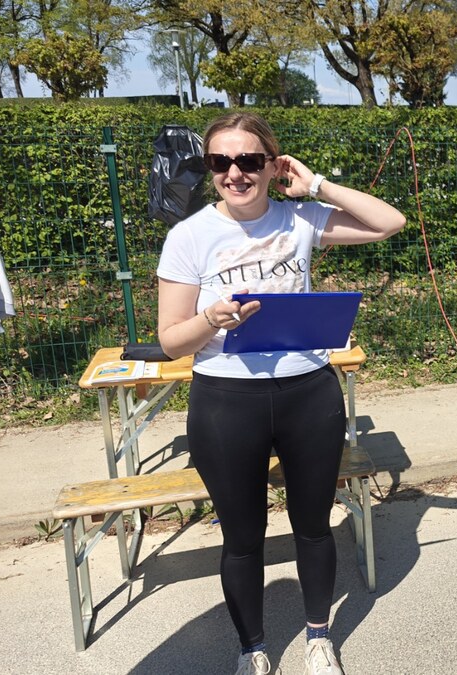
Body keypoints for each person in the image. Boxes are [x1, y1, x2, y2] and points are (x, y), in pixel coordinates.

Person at [156, 112, 405, 675]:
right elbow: (170, 341)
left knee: (313, 526)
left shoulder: (302, 219)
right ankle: (253, 650)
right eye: (220, 162)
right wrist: (211, 320)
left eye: (249, 160)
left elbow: (390, 221)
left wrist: (316, 185)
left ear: (273, 165)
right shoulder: (189, 236)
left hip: (307, 393)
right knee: (242, 538)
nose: (234, 173)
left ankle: (318, 637)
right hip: (226, 401)